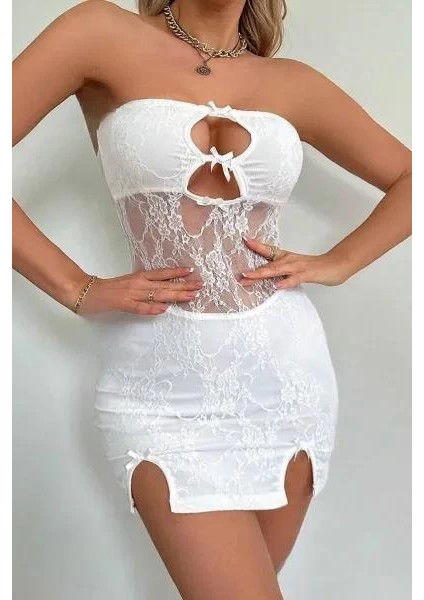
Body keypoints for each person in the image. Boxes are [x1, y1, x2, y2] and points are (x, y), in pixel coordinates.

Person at [12, 1, 412, 599]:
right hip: (160, 385)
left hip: (285, 382)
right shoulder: (99, 33)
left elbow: (411, 178)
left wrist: (339, 262)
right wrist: (76, 286)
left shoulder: (293, 82)